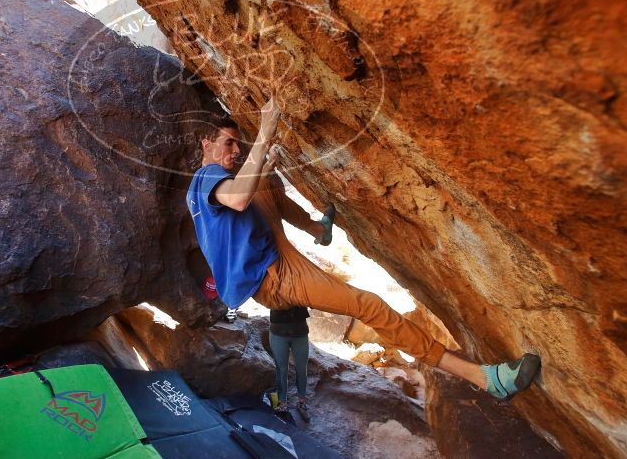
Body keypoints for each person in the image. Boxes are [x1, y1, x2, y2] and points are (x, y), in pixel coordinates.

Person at [186, 97, 541, 402]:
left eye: (238, 145)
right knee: (368, 305)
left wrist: (264, 163)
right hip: (272, 277)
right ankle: (485, 379)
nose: (235, 151)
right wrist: (265, 131)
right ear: (206, 143)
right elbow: (237, 198)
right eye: (229, 143)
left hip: (269, 258)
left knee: (264, 179)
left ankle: (316, 229)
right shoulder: (206, 178)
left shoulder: (201, 189)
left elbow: (243, 199)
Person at [269, 306, 311, 422]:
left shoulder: (301, 288)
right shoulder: (273, 289)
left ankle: (302, 402)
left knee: (302, 369)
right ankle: (283, 403)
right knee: (281, 369)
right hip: (278, 332)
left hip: (300, 332)